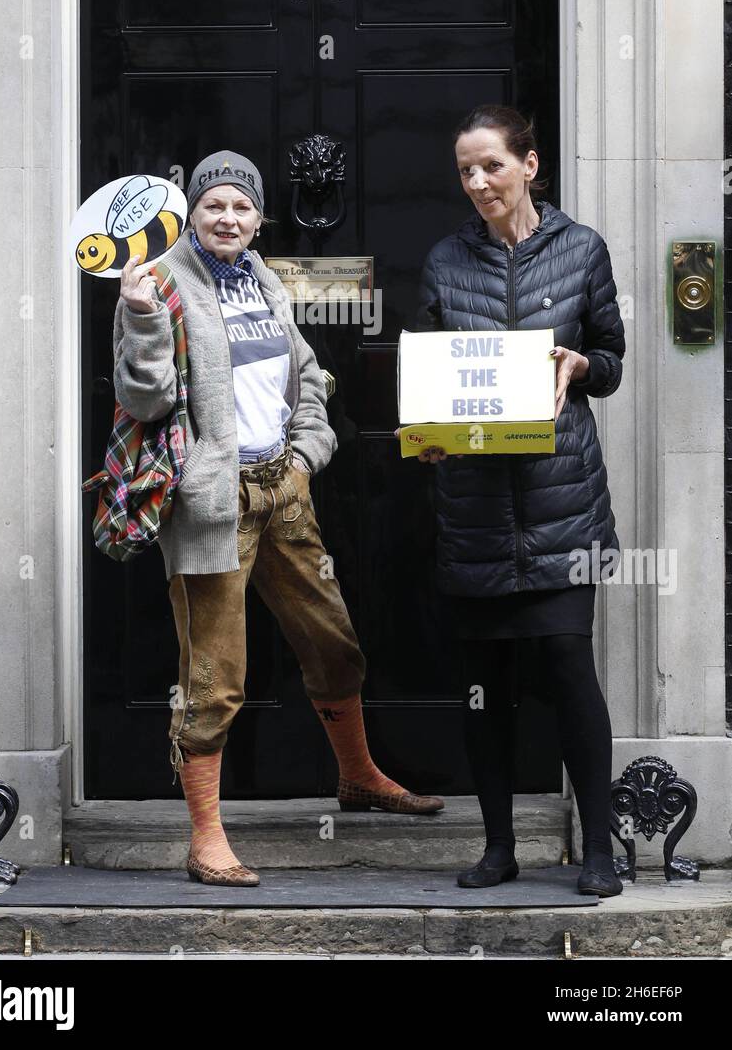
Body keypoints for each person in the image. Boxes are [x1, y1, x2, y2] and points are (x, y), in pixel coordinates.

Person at [112, 150, 443, 887]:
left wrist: (304, 456)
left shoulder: (261, 278)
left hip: (282, 491)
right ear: (191, 213)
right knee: (215, 675)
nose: (226, 219)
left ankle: (357, 778)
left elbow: (307, 373)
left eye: (240, 207)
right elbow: (144, 401)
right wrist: (138, 320)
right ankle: (205, 837)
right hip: (212, 505)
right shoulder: (159, 283)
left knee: (333, 641)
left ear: (258, 219)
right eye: (213, 206)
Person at [415, 105, 625, 898]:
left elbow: (610, 356)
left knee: (571, 672)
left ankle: (598, 851)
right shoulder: (443, 260)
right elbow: (426, 369)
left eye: (490, 166)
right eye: (465, 170)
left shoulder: (581, 250)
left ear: (528, 165)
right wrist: (424, 429)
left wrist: (581, 364)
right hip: (471, 510)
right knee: (485, 687)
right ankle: (498, 847)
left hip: (560, 506)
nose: (476, 182)